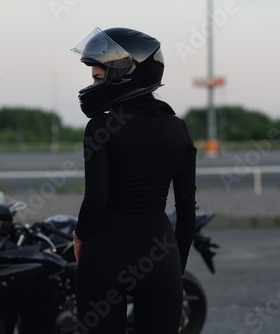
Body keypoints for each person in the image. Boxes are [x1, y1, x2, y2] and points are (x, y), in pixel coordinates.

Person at [70, 27, 197, 333]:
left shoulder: (101, 126)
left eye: (98, 78)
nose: (93, 85)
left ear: (122, 75)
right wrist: (174, 267)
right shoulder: (178, 129)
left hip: (105, 254)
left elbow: (96, 200)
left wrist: (79, 236)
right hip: (160, 253)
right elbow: (187, 212)